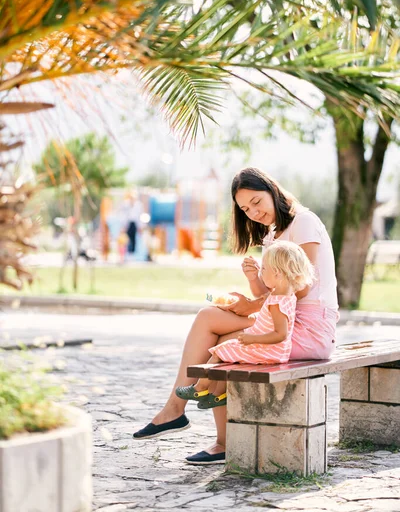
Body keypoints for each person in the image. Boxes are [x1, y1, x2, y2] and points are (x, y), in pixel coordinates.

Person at [133, 167, 339, 466]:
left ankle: (192, 422)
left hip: (309, 325)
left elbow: (302, 287)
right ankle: (189, 419)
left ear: (272, 190)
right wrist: (251, 288)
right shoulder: (273, 234)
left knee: (224, 336)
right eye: (245, 208)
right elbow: (273, 290)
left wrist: (252, 306)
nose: (253, 212)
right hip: (284, 317)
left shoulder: (303, 223)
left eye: (257, 202)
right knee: (212, 321)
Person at [175, 241, 315, 412]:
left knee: (220, 350)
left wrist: (252, 339)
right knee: (228, 351)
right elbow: (270, 321)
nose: (262, 273)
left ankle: (199, 389)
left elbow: (281, 334)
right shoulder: (286, 296)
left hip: (269, 351)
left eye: (264, 269)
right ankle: (218, 396)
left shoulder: (276, 302)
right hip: (274, 350)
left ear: (277, 273)